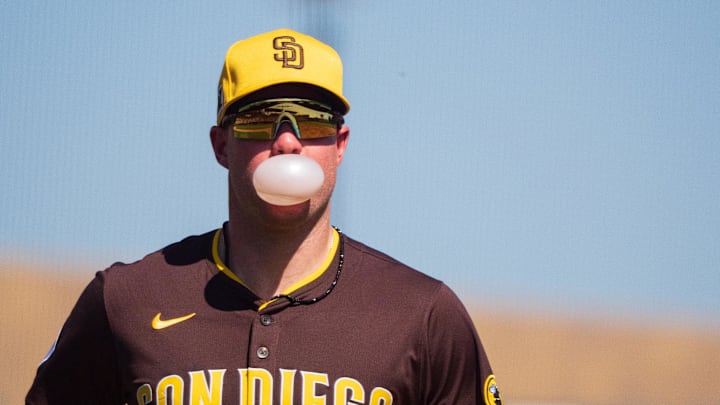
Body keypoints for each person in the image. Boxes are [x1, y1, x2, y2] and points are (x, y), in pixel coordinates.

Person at [26, 28, 503, 405]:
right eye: (259, 119)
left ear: (339, 146)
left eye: (313, 120)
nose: (288, 142)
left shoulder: (423, 315)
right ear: (221, 146)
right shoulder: (123, 302)